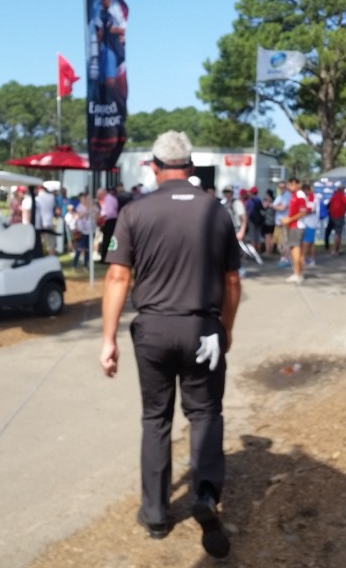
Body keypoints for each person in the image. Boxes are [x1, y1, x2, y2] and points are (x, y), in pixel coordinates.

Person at [100, 131, 239, 559]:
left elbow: (118, 277)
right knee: (204, 413)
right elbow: (232, 280)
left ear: (154, 168)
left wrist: (107, 340)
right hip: (202, 327)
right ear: (191, 167)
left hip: (154, 329)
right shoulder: (217, 212)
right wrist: (226, 328)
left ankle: (157, 513)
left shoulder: (133, 211)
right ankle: (204, 493)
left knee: (155, 418)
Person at [281, 178, 309, 283]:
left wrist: (289, 219)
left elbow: (303, 212)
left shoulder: (299, 195)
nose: (290, 186)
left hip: (297, 225)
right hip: (294, 225)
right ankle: (297, 273)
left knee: (296, 250)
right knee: (294, 250)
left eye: (293, 184)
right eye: (290, 183)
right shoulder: (295, 195)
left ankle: (298, 274)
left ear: (298, 184)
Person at [271, 180, 292, 266]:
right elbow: (275, 206)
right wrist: (275, 206)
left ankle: (287, 258)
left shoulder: (287, 195)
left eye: (283, 187)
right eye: (280, 187)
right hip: (278, 222)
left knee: (285, 241)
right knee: (280, 242)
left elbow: (282, 208)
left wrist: (273, 206)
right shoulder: (280, 196)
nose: (281, 189)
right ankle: (283, 257)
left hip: (284, 222)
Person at [325, 183, 346, 256]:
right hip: (339, 216)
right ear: (343, 190)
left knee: (337, 233)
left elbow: (329, 205)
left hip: (332, 216)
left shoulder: (334, 196)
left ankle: (339, 248)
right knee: (338, 233)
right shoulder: (342, 196)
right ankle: (335, 249)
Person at [97, 186, 119, 262]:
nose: (98, 196)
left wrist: (100, 217)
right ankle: (106, 257)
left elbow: (109, 213)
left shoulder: (108, 200)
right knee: (107, 239)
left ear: (103, 193)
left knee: (107, 240)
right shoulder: (107, 199)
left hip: (110, 221)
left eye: (99, 194)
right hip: (110, 221)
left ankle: (106, 258)